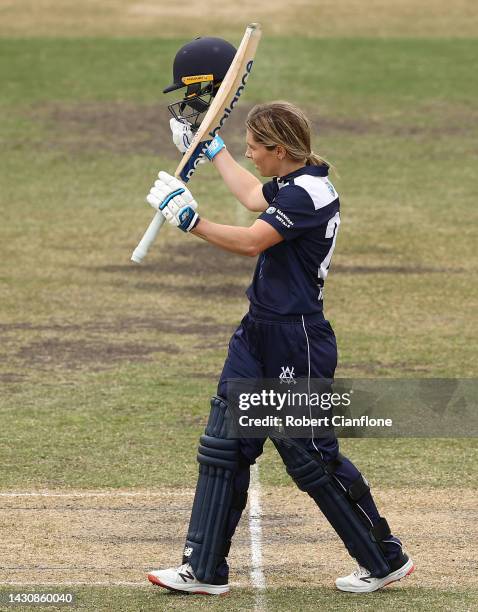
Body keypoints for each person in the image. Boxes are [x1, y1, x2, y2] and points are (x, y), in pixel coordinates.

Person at [146, 102, 415, 594]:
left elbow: (252, 241)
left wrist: (191, 222)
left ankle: (382, 556)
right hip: (257, 332)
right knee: (224, 445)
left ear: (280, 149)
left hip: (297, 341)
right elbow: (253, 196)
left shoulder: (308, 195)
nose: (250, 156)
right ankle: (202, 569)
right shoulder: (297, 181)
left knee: (309, 455)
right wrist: (216, 151)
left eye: (253, 148)